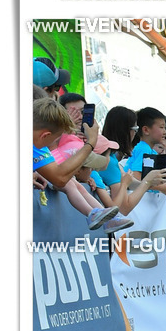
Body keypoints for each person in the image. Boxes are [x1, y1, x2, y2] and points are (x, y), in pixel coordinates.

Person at [32, 98, 131, 234]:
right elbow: (59, 178)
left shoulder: (38, 144)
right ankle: (94, 213)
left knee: (72, 182)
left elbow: (58, 175)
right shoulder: (36, 145)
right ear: (45, 135)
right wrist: (91, 142)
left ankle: (101, 216)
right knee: (69, 183)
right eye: (57, 137)